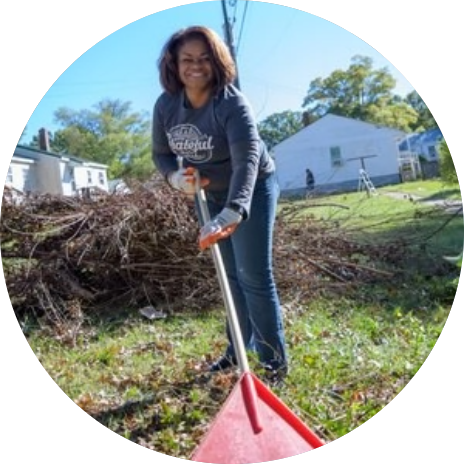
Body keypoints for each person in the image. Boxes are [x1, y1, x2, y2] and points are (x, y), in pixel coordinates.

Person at [151, 26, 287, 380]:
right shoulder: (166, 106)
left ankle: (274, 363)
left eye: (204, 58)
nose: (196, 66)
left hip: (252, 190)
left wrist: (233, 211)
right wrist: (175, 178)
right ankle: (237, 351)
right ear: (174, 64)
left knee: (254, 276)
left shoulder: (232, 103)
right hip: (208, 193)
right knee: (229, 277)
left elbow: (247, 161)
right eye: (187, 59)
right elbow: (161, 153)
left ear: (217, 62)